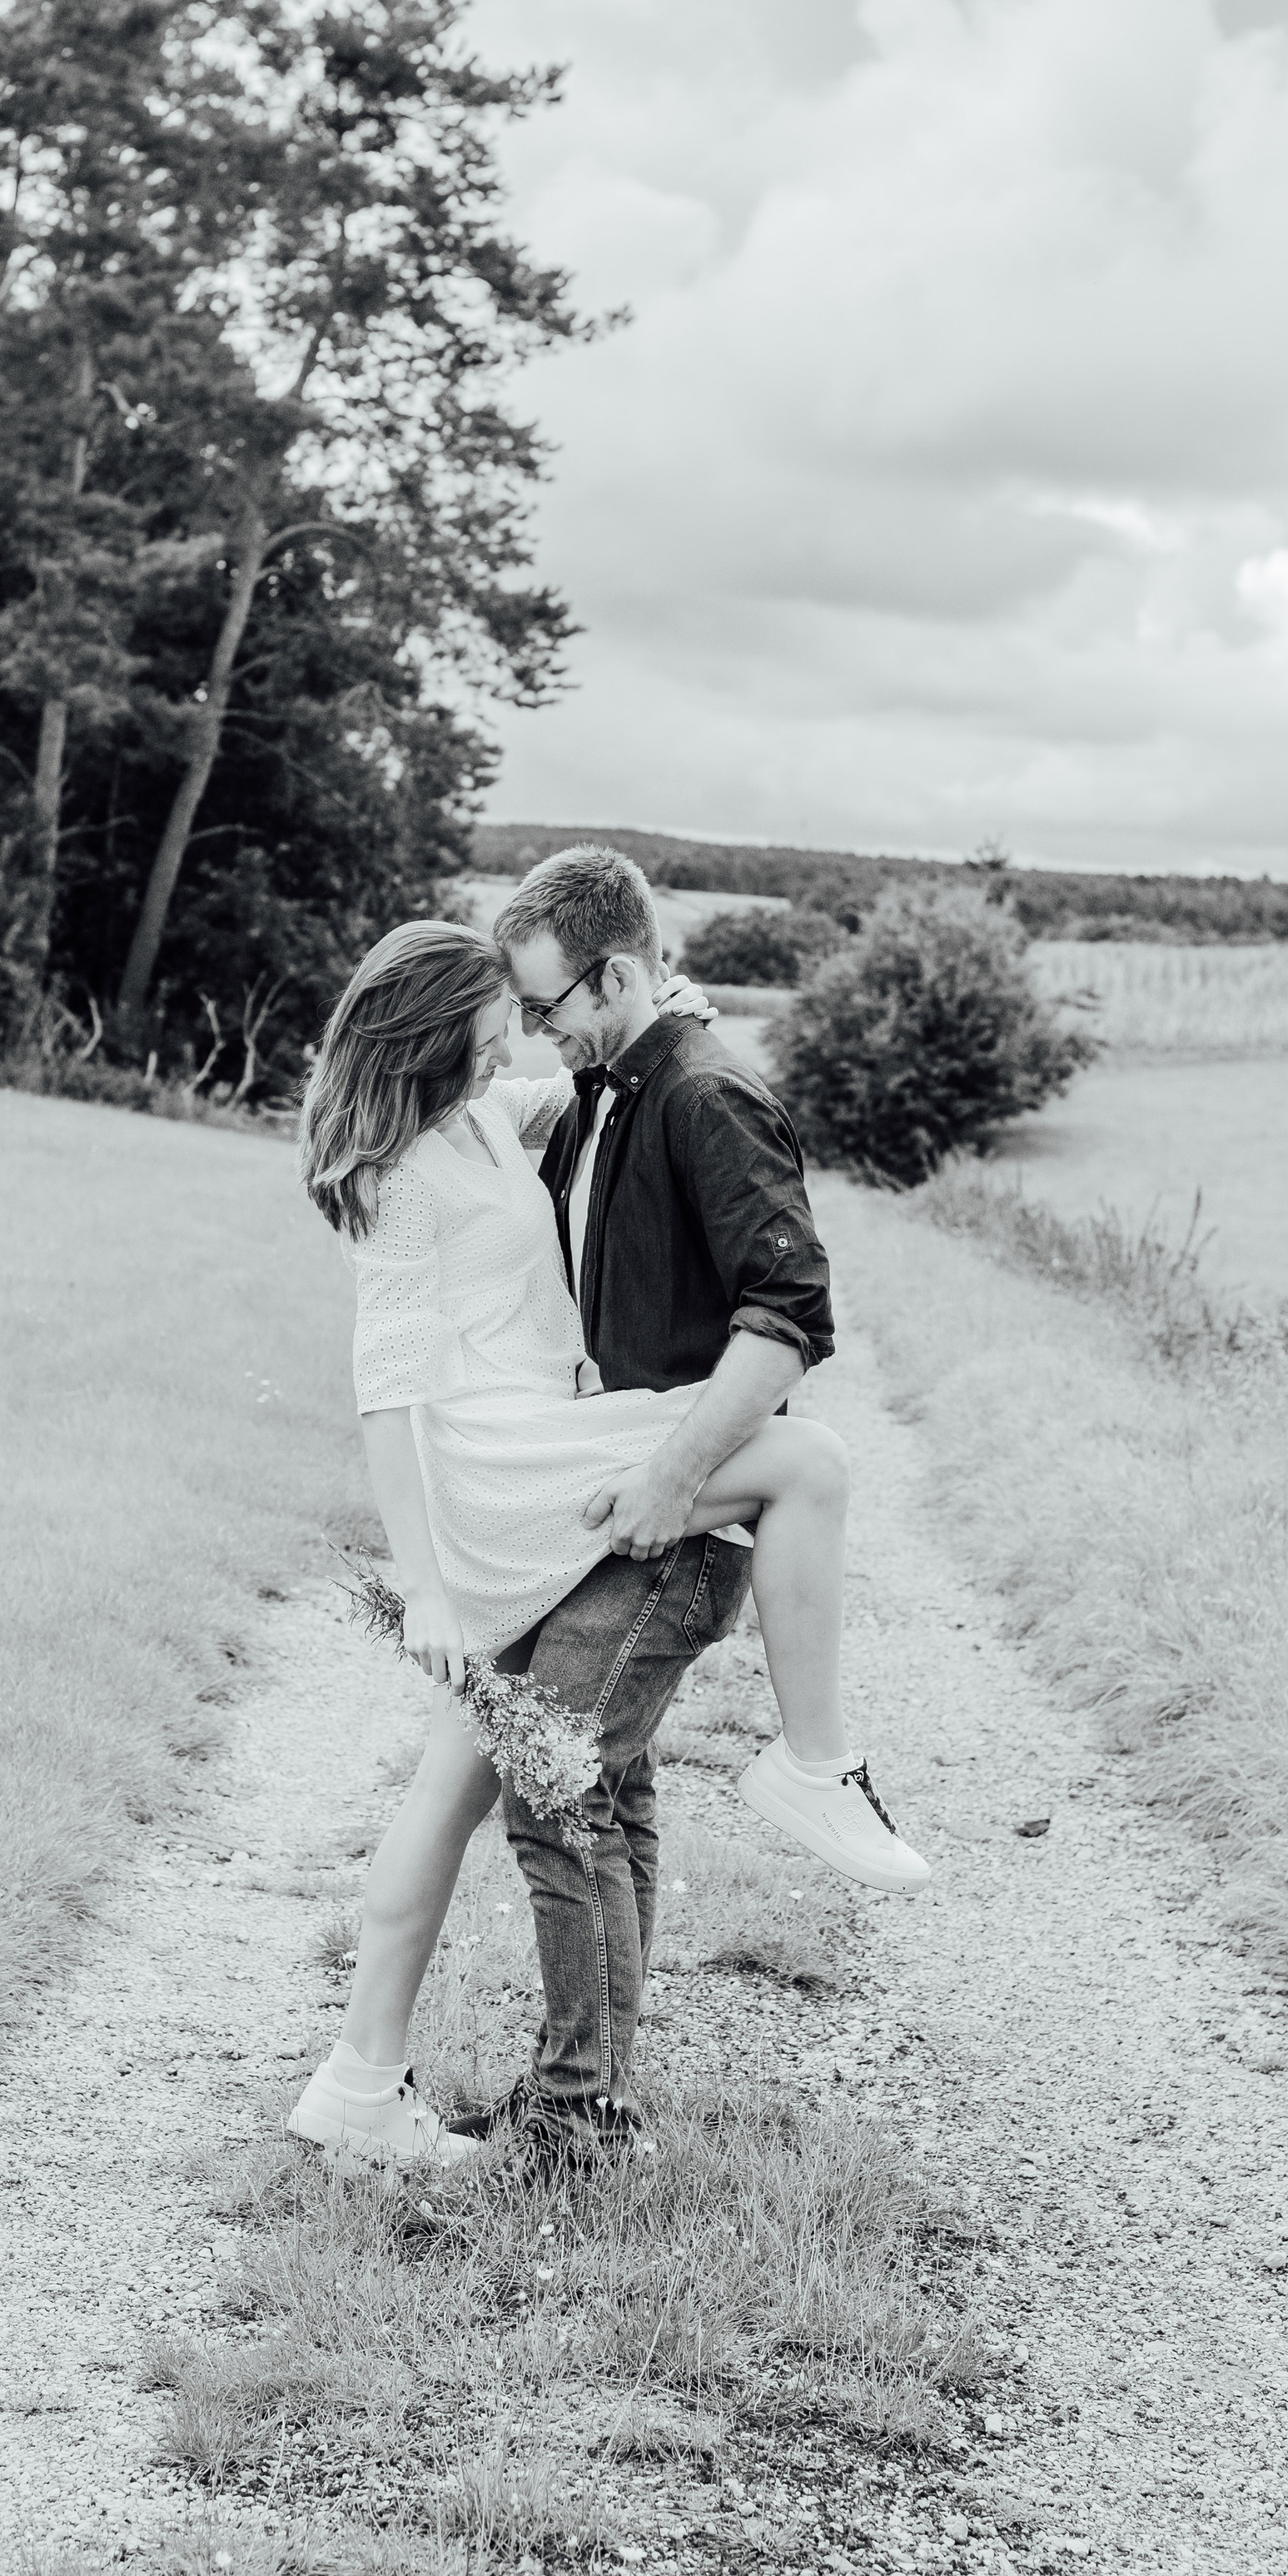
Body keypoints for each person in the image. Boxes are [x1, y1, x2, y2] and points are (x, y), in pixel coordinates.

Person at [287, 855, 925, 2171]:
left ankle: (362, 2082)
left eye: (527, 1015)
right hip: (502, 1467)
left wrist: (660, 1012)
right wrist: (423, 1586)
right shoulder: (401, 1171)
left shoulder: (482, 1112)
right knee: (805, 1465)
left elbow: (591, 1075)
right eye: (489, 1030)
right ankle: (814, 1766)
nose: (513, 1046)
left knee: (459, 1785)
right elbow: (383, 1393)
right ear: (427, 1042)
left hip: (540, 1437)